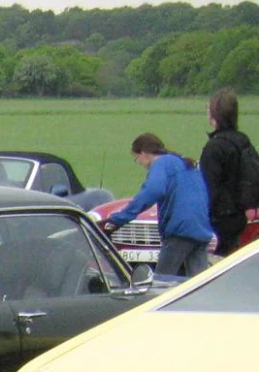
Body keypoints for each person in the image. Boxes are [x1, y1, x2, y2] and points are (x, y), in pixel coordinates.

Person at [104, 133, 215, 278]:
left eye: (136, 158)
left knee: (161, 281)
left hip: (180, 231)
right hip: (201, 228)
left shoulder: (162, 163)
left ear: (143, 153)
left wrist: (120, 218)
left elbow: (152, 190)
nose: (138, 163)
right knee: (199, 283)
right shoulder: (185, 164)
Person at [199, 88, 258, 258]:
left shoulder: (214, 147)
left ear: (215, 114)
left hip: (219, 220)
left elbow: (209, 188)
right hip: (239, 217)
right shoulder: (243, 140)